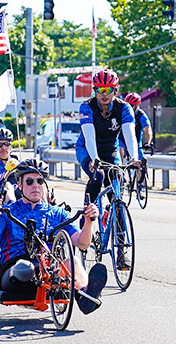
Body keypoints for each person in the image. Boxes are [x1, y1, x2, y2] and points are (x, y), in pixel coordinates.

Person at [0, 159, 107, 315]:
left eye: (40, 181)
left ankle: (85, 297)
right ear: (19, 185)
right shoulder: (7, 211)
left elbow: (82, 243)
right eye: (29, 181)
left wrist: (88, 223)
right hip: (15, 272)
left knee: (73, 261)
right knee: (25, 268)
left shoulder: (58, 213)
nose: (35, 185)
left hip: (50, 273)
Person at [74, 69, 138, 270]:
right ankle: (88, 216)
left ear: (115, 91)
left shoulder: (124, 108)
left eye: (108, 90)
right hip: (87, 149)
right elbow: (90, 136)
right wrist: (94, 160)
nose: (104, 93)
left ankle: (121, 251)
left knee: (116, 193)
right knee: (98, 175)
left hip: (110, 151)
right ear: (94, 90)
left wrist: (135, 158)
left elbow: (129, 134)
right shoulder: (87, 107)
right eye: (100, 89)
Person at [120, 92, 152, 183]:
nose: (130, 107)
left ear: (137, 105)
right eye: (128, 105)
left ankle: (140, 183)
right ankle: (120, 173)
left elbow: (148, 130)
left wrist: (147, 142)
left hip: (135, 141)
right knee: (120, 151)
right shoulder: (123, 112)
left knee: (140, 162)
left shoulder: (141, 115)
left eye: (132, 105)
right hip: (122, 139)